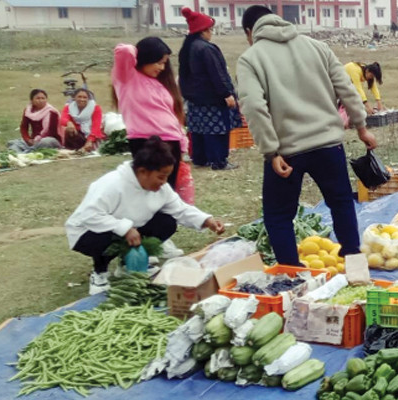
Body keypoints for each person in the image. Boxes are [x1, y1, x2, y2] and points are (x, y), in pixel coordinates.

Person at [236, 6, 377, 267]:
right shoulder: (317, 47)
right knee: (342, 203)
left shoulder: (250, 59)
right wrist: (361, 127)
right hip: (328, 145)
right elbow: (346, 89)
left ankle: (292, 275)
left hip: (286, 153)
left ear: (249, 31)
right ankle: (355, 266)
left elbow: (253, 107)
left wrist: (270, 151)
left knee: (279, 216)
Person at [66, 137, 225, 295]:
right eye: (161, 176)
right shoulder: (113, 184)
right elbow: (90, 215)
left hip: (128, 228)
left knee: (166, 222)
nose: (164, 182)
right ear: (143, 172)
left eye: (167, 177)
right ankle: (99, 272)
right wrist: (125, 228)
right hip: (86, 232)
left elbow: (180, 209)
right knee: (104, 238)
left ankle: (128, 264)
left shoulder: (161, 188)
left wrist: (206, 220)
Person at [112, 37, 186, 190]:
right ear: (146, 57)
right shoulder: (127, 77)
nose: (162, 67)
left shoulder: (161, 84)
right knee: (150, 188)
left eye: (164, 63)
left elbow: (170, 114)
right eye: (159, 62)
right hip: (145, 142)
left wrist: (182, 140)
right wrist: (141, 49)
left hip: (171, 142)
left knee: (168, 190)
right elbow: (124, 51)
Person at [179, 7, 241, 170]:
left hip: (195, 99)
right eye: (210, 30)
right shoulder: (206, 49)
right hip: (212, 98)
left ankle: (200, 159)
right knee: (217, 130)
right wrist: (226, 93)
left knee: (199, 130)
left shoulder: (187, 48)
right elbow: (217, 73)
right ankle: (219, 161)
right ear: (203, 31)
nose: (211, 33)